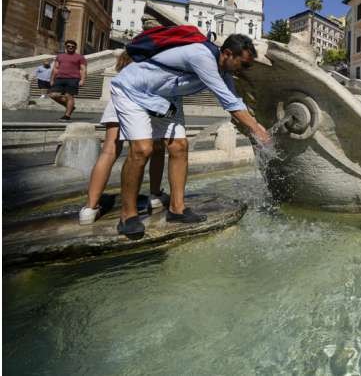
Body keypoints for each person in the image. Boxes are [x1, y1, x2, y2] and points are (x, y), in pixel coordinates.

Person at [110, 34, 270, 237]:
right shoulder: (201, 56)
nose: (244, 69)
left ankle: (177, 209)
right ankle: (128, 215)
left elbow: (235, 101)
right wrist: (257, 130)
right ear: (228, 54)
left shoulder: (225, 73)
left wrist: (257, 128)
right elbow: (228, 101)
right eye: (243, 63)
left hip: (165, 99)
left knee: (179, 147)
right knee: (142, 149)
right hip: (132, 90)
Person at [79, 54, 170, 224]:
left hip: (119, 99)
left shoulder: (130, 58)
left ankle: (89, 209)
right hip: (144, 100)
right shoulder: (153, 56)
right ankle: (155, 196)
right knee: (157, 148)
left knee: (109, 151)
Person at [48, 40, 86, 121]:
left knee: (69, 96)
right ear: (65, 47)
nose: (70, 47)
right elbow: (55, 68)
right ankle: (70, 106)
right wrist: (51, 79)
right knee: (52, 95)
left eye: (72, 46)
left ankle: (67, 115)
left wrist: (82, 80)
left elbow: (83, 69)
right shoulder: (60, 56)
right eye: (68, 46)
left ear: (75, 47)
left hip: (73, 78)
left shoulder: (80, 57)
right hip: (59, 78)